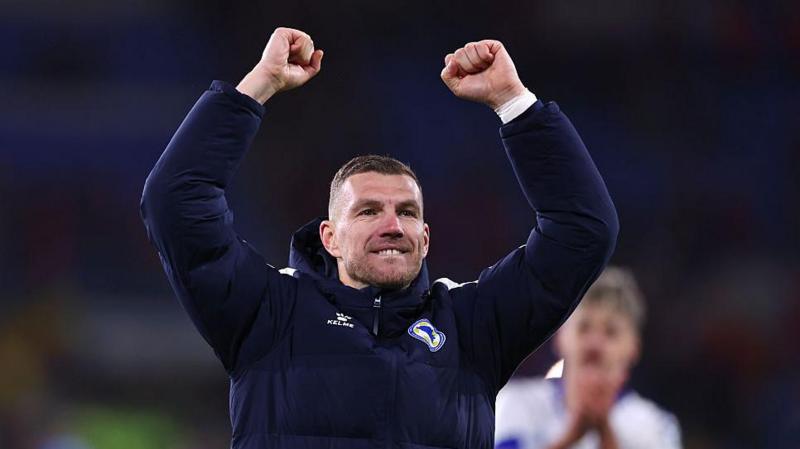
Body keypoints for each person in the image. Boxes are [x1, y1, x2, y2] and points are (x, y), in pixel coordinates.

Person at [140, 27, 618, 449]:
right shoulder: (267, 312)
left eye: (407, 213)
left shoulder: (473, 327)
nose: (393, 225)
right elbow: (174, 201)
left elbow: (584, 230)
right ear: (329, 237)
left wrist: (514, 102)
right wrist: (258, 85)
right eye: (369, 211)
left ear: (425, 238)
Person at [494, 267, 682, 449]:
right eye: (583, 328)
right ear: (559, 336)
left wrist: (605, 433)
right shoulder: (514, 403)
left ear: (634, 347)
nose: (594, 344)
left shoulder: (655, 426)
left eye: (611, 332)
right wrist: (571, 437)